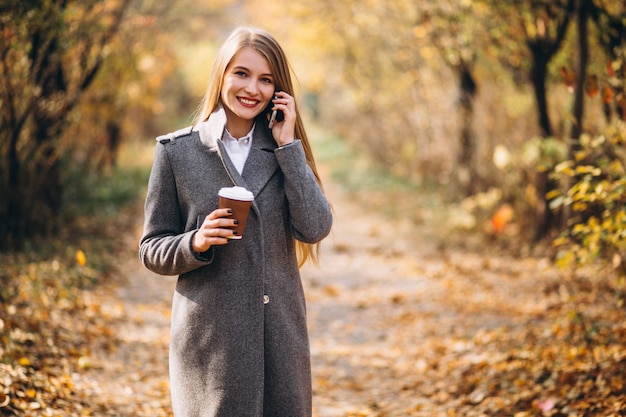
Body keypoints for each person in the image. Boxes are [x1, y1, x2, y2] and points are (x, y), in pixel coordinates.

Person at [139, 26, 333, 417]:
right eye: (241, 74)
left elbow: (315, 227)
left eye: (266, 79)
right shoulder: (178, 152)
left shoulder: (285, 151)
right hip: (210, 342)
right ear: (222, 75)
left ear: (278, 91)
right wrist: (195, 242)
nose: (252, 89)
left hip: (278, 336)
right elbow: (151, 248)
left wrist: (289, 147)